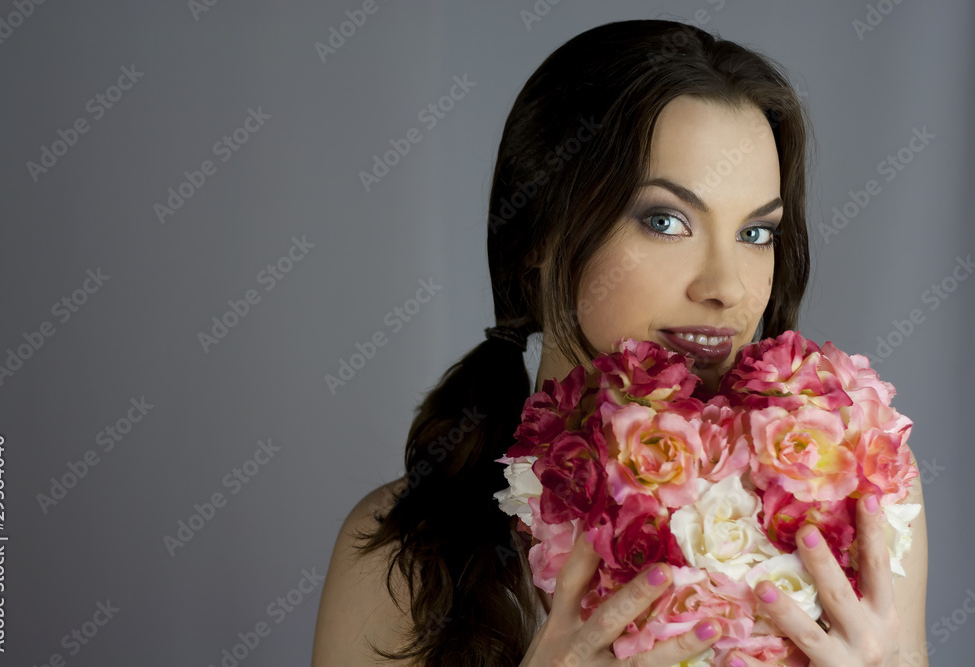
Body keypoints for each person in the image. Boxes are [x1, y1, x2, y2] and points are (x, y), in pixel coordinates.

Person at [312, 19, 928, 667]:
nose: (726, 287)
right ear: (536, 237)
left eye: (755, 233)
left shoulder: (858, 489)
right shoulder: (401, 550)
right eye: (666, 220)